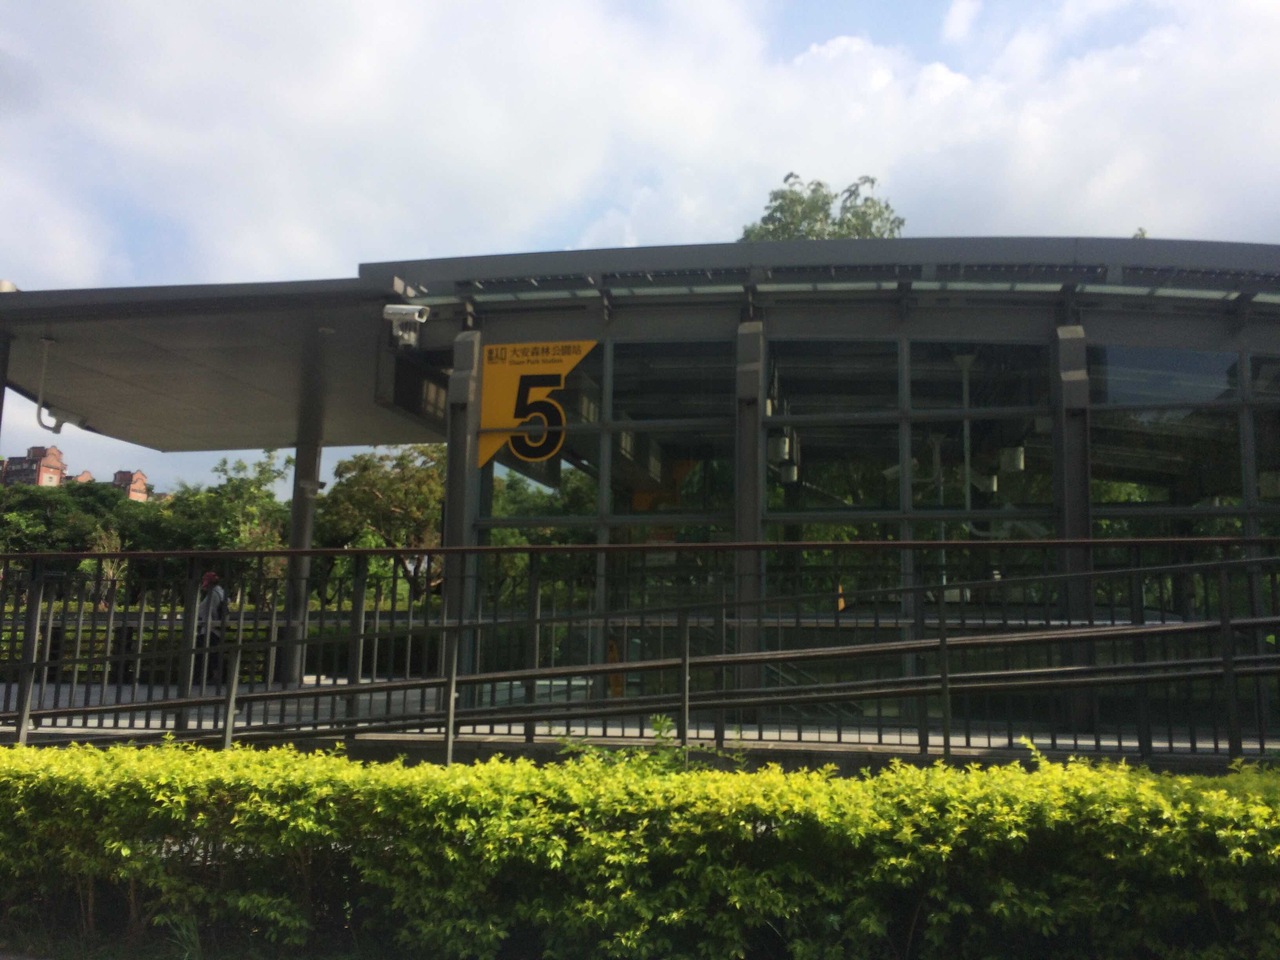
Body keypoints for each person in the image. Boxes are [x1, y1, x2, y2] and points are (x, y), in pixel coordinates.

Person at [196, 571, 228, 684]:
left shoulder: (213, 594)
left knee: (206, 653)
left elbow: (207, 611)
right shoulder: (222, 593)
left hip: (210, 628)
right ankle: (214, 676)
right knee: (214, 653)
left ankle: (210, 676)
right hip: (217, 628)